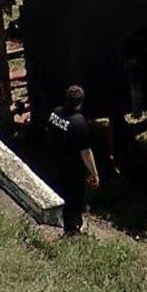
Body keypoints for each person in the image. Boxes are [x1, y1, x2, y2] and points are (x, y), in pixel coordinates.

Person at [47, 85, 101, 235]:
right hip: (73, 169)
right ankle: (72, 230)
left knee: (60, 192)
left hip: (56, 161)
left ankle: (63, 221)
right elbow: (86, 152)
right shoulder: (79, 122)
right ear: (80, 103)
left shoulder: (55, 113)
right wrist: (94, 173)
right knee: (75, 200)